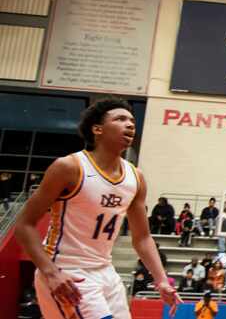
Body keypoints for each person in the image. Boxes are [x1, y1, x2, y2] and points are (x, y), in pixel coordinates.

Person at [14, 98, 180, 319]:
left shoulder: (135, 177)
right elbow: (24, 225)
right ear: (97, 129)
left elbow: (142, 238)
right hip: (66, 270)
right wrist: (51, 273)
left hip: (106, 272)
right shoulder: (69, 167)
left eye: (131, 120)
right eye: (120, 119)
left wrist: (161, 280)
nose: (130, 124)